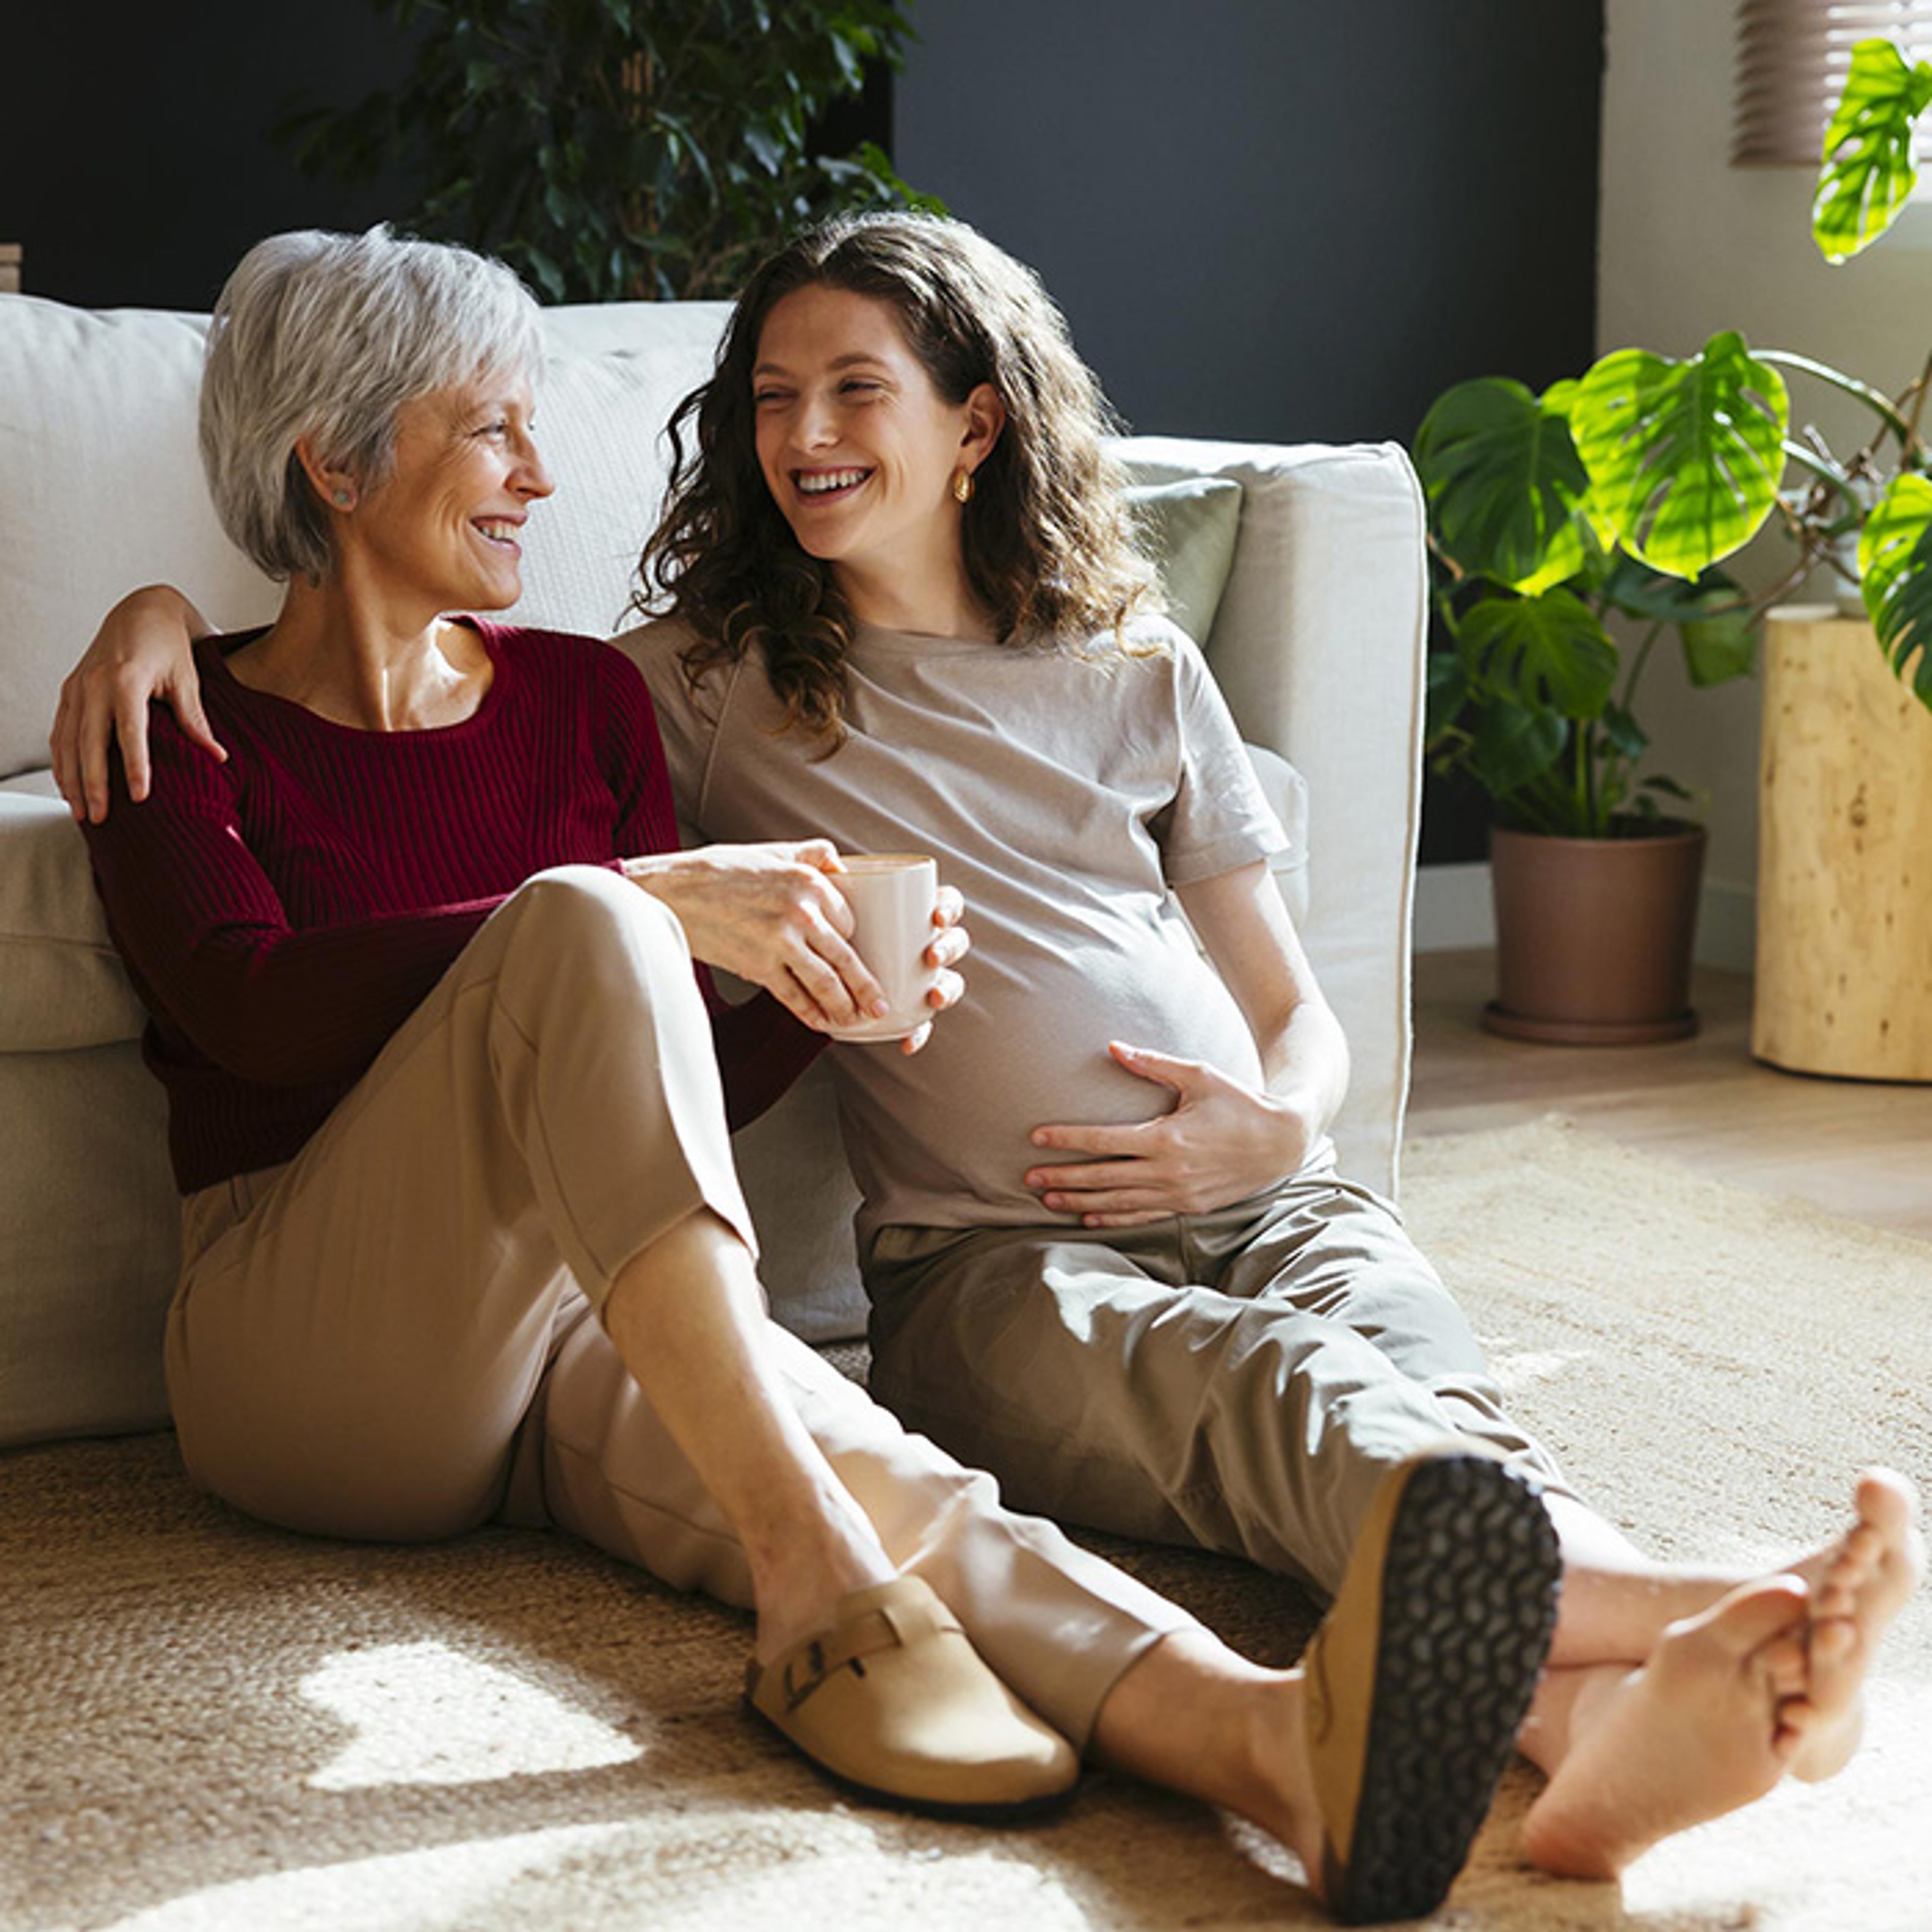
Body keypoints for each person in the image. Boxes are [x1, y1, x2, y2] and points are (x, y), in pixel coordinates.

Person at [54, 215, 1922, 1894]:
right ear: (337, 455)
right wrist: (164, 627)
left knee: (913, 1481)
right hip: (309, 1349)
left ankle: (1301, 1741)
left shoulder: (581, 698)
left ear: (977, 425)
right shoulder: (194, 713)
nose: (548, 472)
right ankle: (1715, 1594)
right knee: (600, 919)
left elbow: (670, 1075)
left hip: (572, 1330)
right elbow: (252, 1008)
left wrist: (814, 997)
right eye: (495, 428)